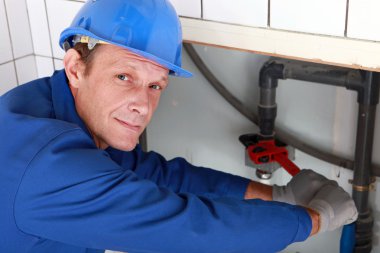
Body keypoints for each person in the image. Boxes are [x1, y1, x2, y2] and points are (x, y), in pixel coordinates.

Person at [0, 0, 357, 252]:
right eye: (124, 76)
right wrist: (313, 219)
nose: (142, 104)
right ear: (76, 67)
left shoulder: (57, 108)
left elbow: (156, 174)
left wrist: (277, 196)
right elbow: (189, 229)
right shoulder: (44, 163)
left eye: (155, 85)